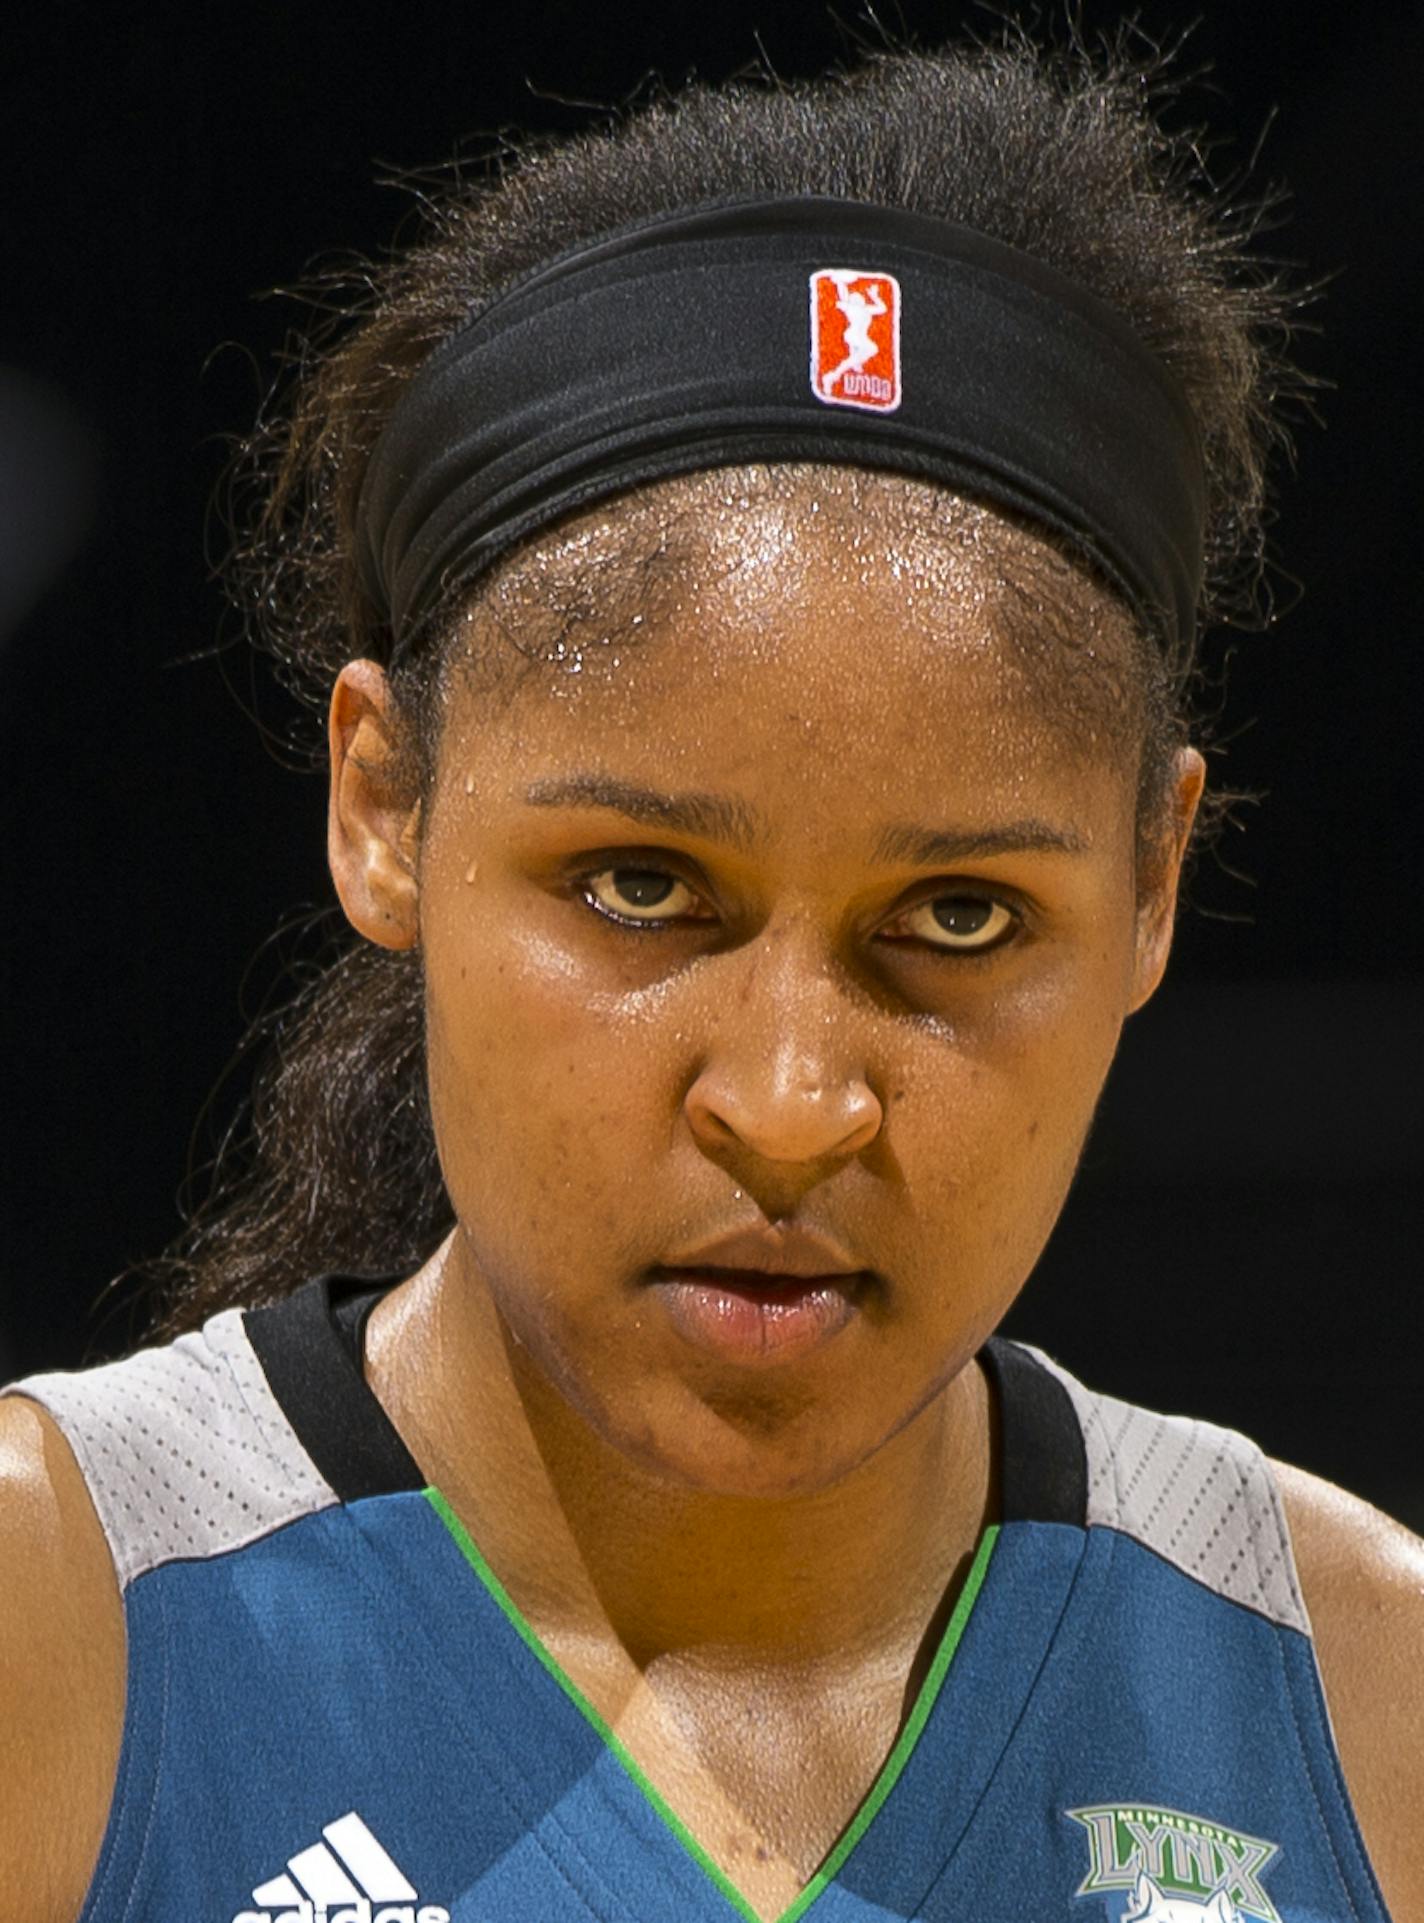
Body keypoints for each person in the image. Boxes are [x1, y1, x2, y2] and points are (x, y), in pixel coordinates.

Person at [2, 24, 1421, 1923]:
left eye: (962, 919)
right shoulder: (54, 1636)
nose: (788, 1104)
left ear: (1157, 883)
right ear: (385, 810)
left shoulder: (1369, 1709)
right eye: (642, 886)